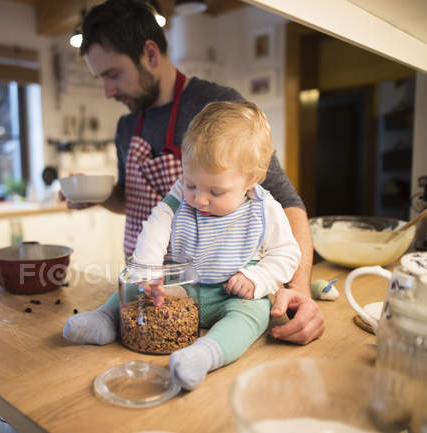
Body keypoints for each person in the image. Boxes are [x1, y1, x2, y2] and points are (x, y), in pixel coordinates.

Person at [63, 0, 324, 344]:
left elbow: (285, 202)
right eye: (101, 79)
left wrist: (299, 290)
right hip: (152, 283)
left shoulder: (217, 110)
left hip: (218, 281)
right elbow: (133, 199)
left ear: (151, 54)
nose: (108, 91)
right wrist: (98, 198)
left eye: (113, 74)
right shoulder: (128, 125)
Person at [64, 101, 301, 389]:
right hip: (182, 290)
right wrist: (149, 271)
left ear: (251, 179)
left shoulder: (265, 209)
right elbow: (156, 224)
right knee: (135, 291)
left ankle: (204, 355)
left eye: (215, 191)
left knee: (253, 316)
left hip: (234, 295)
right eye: (191, 184)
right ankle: (104, 319)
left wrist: (257, 279)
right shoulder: (179, 194)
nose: (199, 199)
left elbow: (287, 254)